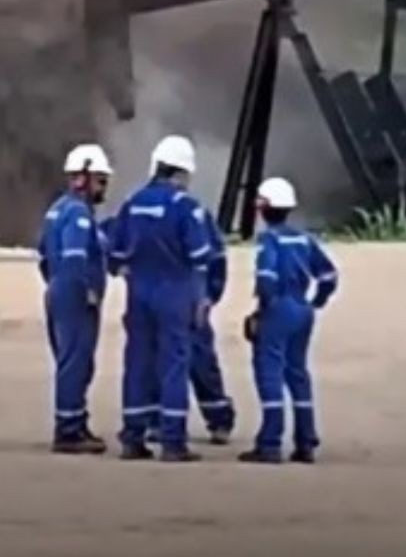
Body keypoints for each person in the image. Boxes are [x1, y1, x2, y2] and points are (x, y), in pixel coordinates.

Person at [110, 135, 215, 462]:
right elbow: (201, 257)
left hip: (139, 293)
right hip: (175, 293)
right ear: (183, 173)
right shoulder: (187, 208)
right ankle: (173, 442)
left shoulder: (133, 202)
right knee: (174, 365)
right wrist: (201, 299)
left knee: (137, 363)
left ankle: (132, 438)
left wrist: (128, 270)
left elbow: (114, 252)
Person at [239, 177, 340, 465]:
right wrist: (316, 302)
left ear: (263, 207)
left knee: (269, 372)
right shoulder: (304, 238)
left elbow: (267, 277)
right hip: (302, 310)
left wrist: (261, 311)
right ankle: (305, 442)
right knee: (298, 373)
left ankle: (270, 443)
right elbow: (329, 276)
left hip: (278, 310)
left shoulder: (269, 240)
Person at [36, 143, 114, 453]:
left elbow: (43, 255)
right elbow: (75, 257)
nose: (103, 188)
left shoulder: (56, 210)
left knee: (73, 361)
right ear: (82, 178)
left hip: (58, 289)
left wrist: (55, 284)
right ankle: (68, 430)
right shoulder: (78, 214)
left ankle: (76, 421)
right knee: (75, 362)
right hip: (75, 296)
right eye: (100, 180)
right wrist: (85, 290)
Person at [190, 206, 237, 444]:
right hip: (166, 300)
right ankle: (157, 420)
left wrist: (210, 295)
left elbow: (217, 257)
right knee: (157, 362)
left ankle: (219, 417)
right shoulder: (139, 207)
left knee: (201, 360)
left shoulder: (195, 213)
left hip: (190, 298)